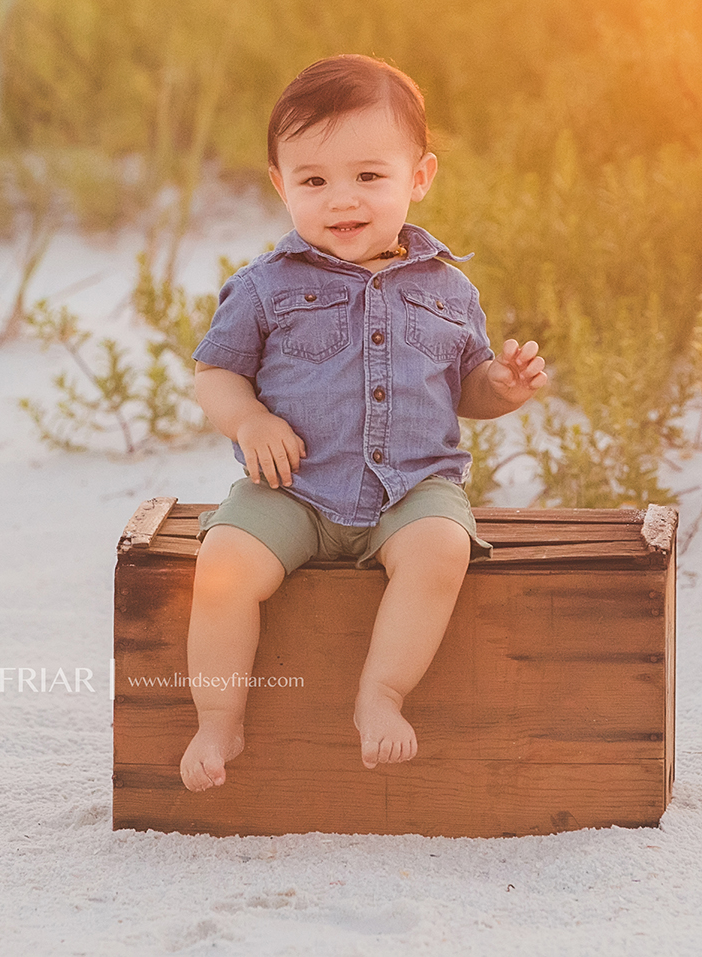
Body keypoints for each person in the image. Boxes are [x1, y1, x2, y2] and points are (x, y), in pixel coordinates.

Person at [180, 54, 548, 792]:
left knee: (442, 548)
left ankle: (380, 695)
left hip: (412, 488)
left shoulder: (449, 289)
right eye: (313, 180)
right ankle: (217, 719)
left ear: (419, 176)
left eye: (369, 176)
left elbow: (465, 385)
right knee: (222, 564)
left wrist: (501, 386)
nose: (341, 199)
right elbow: (214, 374)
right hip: (292, 488)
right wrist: (249, 421)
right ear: (282, 186)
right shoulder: (265, 286)